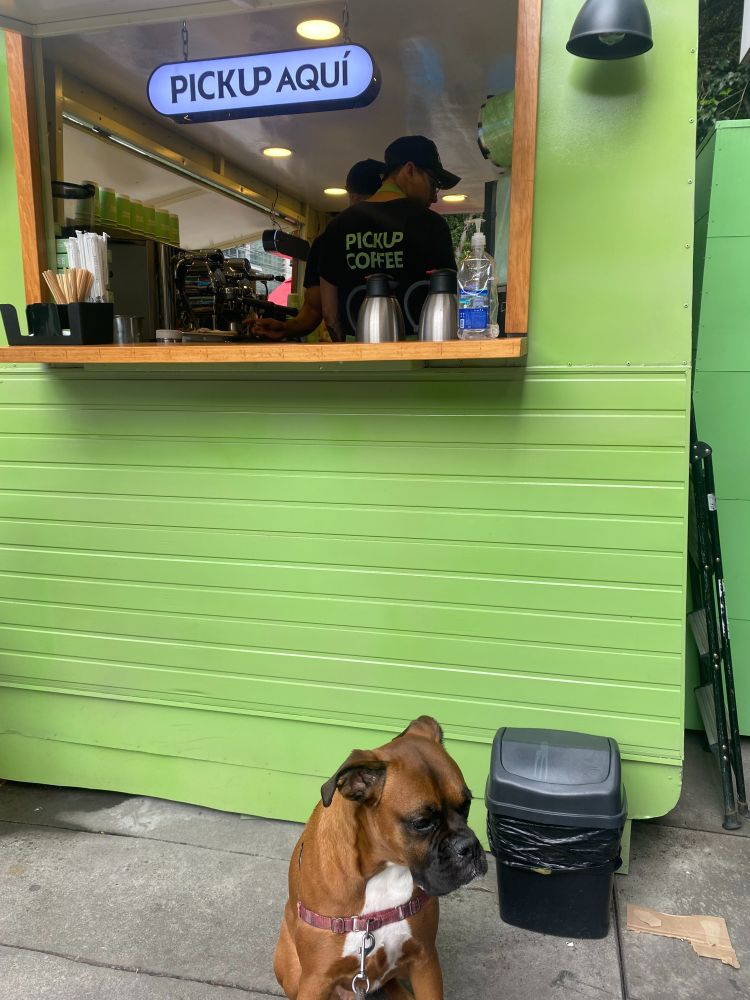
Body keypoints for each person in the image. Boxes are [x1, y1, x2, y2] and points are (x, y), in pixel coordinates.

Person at [318, 136, 459, 340]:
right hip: (419, 356)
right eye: (433, 184)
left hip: (357, 355)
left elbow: (329, 314)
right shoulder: (431, 224)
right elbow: (449, 299)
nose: (435, 197)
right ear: (409, 170)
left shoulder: (338, 226)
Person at [250, 159, 385, 340]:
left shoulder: (329, 236)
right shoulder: (406, 230)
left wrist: (285, 328)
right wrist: (283, 328)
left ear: (350, 191)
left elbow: (317, 310)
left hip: (351, 350)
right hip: (406, 348)